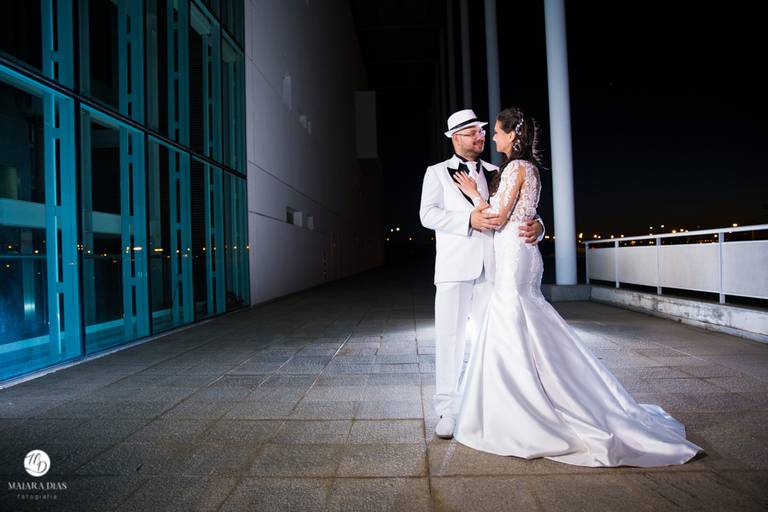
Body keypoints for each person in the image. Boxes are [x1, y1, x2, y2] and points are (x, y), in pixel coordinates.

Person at [450, 107, 703, 467]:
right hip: (515, 255)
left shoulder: (517, 168)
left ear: (512, 136)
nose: (491, 137)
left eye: (496, 132)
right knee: (526, 322)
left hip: (513, 256)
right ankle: (539, 391)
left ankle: (526, 408)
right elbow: (524, 210)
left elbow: (499, 216)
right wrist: (534, 222)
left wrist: (476, 195)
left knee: (513, 319)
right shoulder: (521, 169)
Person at [419, 109, 544, 439]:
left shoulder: (497, 170)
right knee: (449, 339)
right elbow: (426, 215)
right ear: (457, 137)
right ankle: (447, 409)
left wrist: (540, 227)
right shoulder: (436, 173)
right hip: (453, 268)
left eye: (483, 131)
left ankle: (489, 406)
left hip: (495, 268)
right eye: (473, 132)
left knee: (493, 340)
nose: (481, 137)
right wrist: (466, 222)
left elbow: (522, 208)